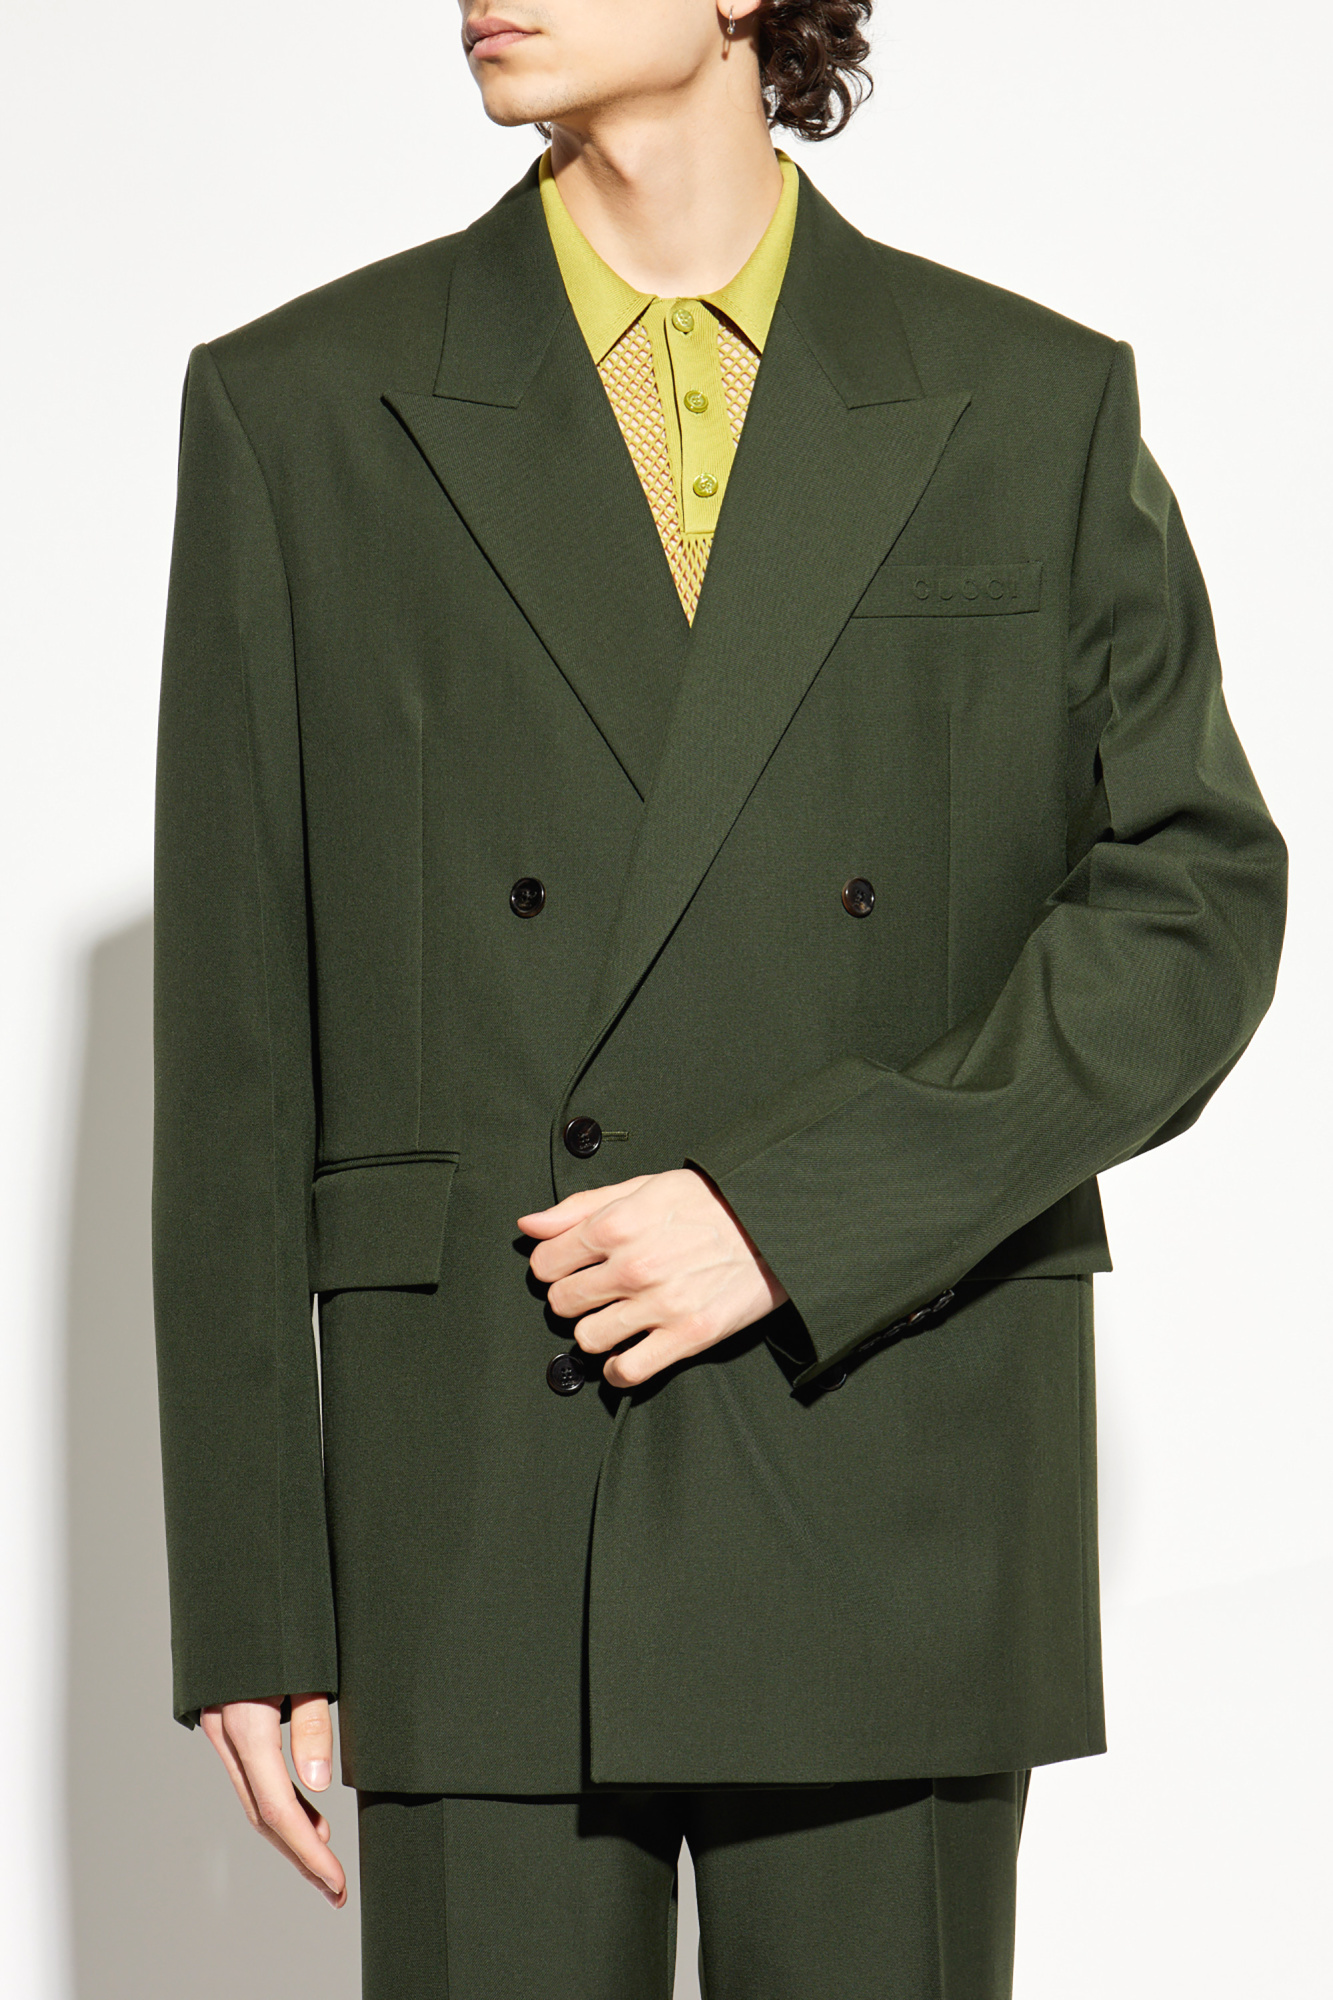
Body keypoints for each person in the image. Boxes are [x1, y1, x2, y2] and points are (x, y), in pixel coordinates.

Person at [151, 0, 1287, 1994]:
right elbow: (238, 1037)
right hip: (479, 1481)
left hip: (892, 1444)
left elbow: (1194, 904)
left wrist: (794, 1211)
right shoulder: (303, 408)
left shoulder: (1026, 402)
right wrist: (251, 1593)